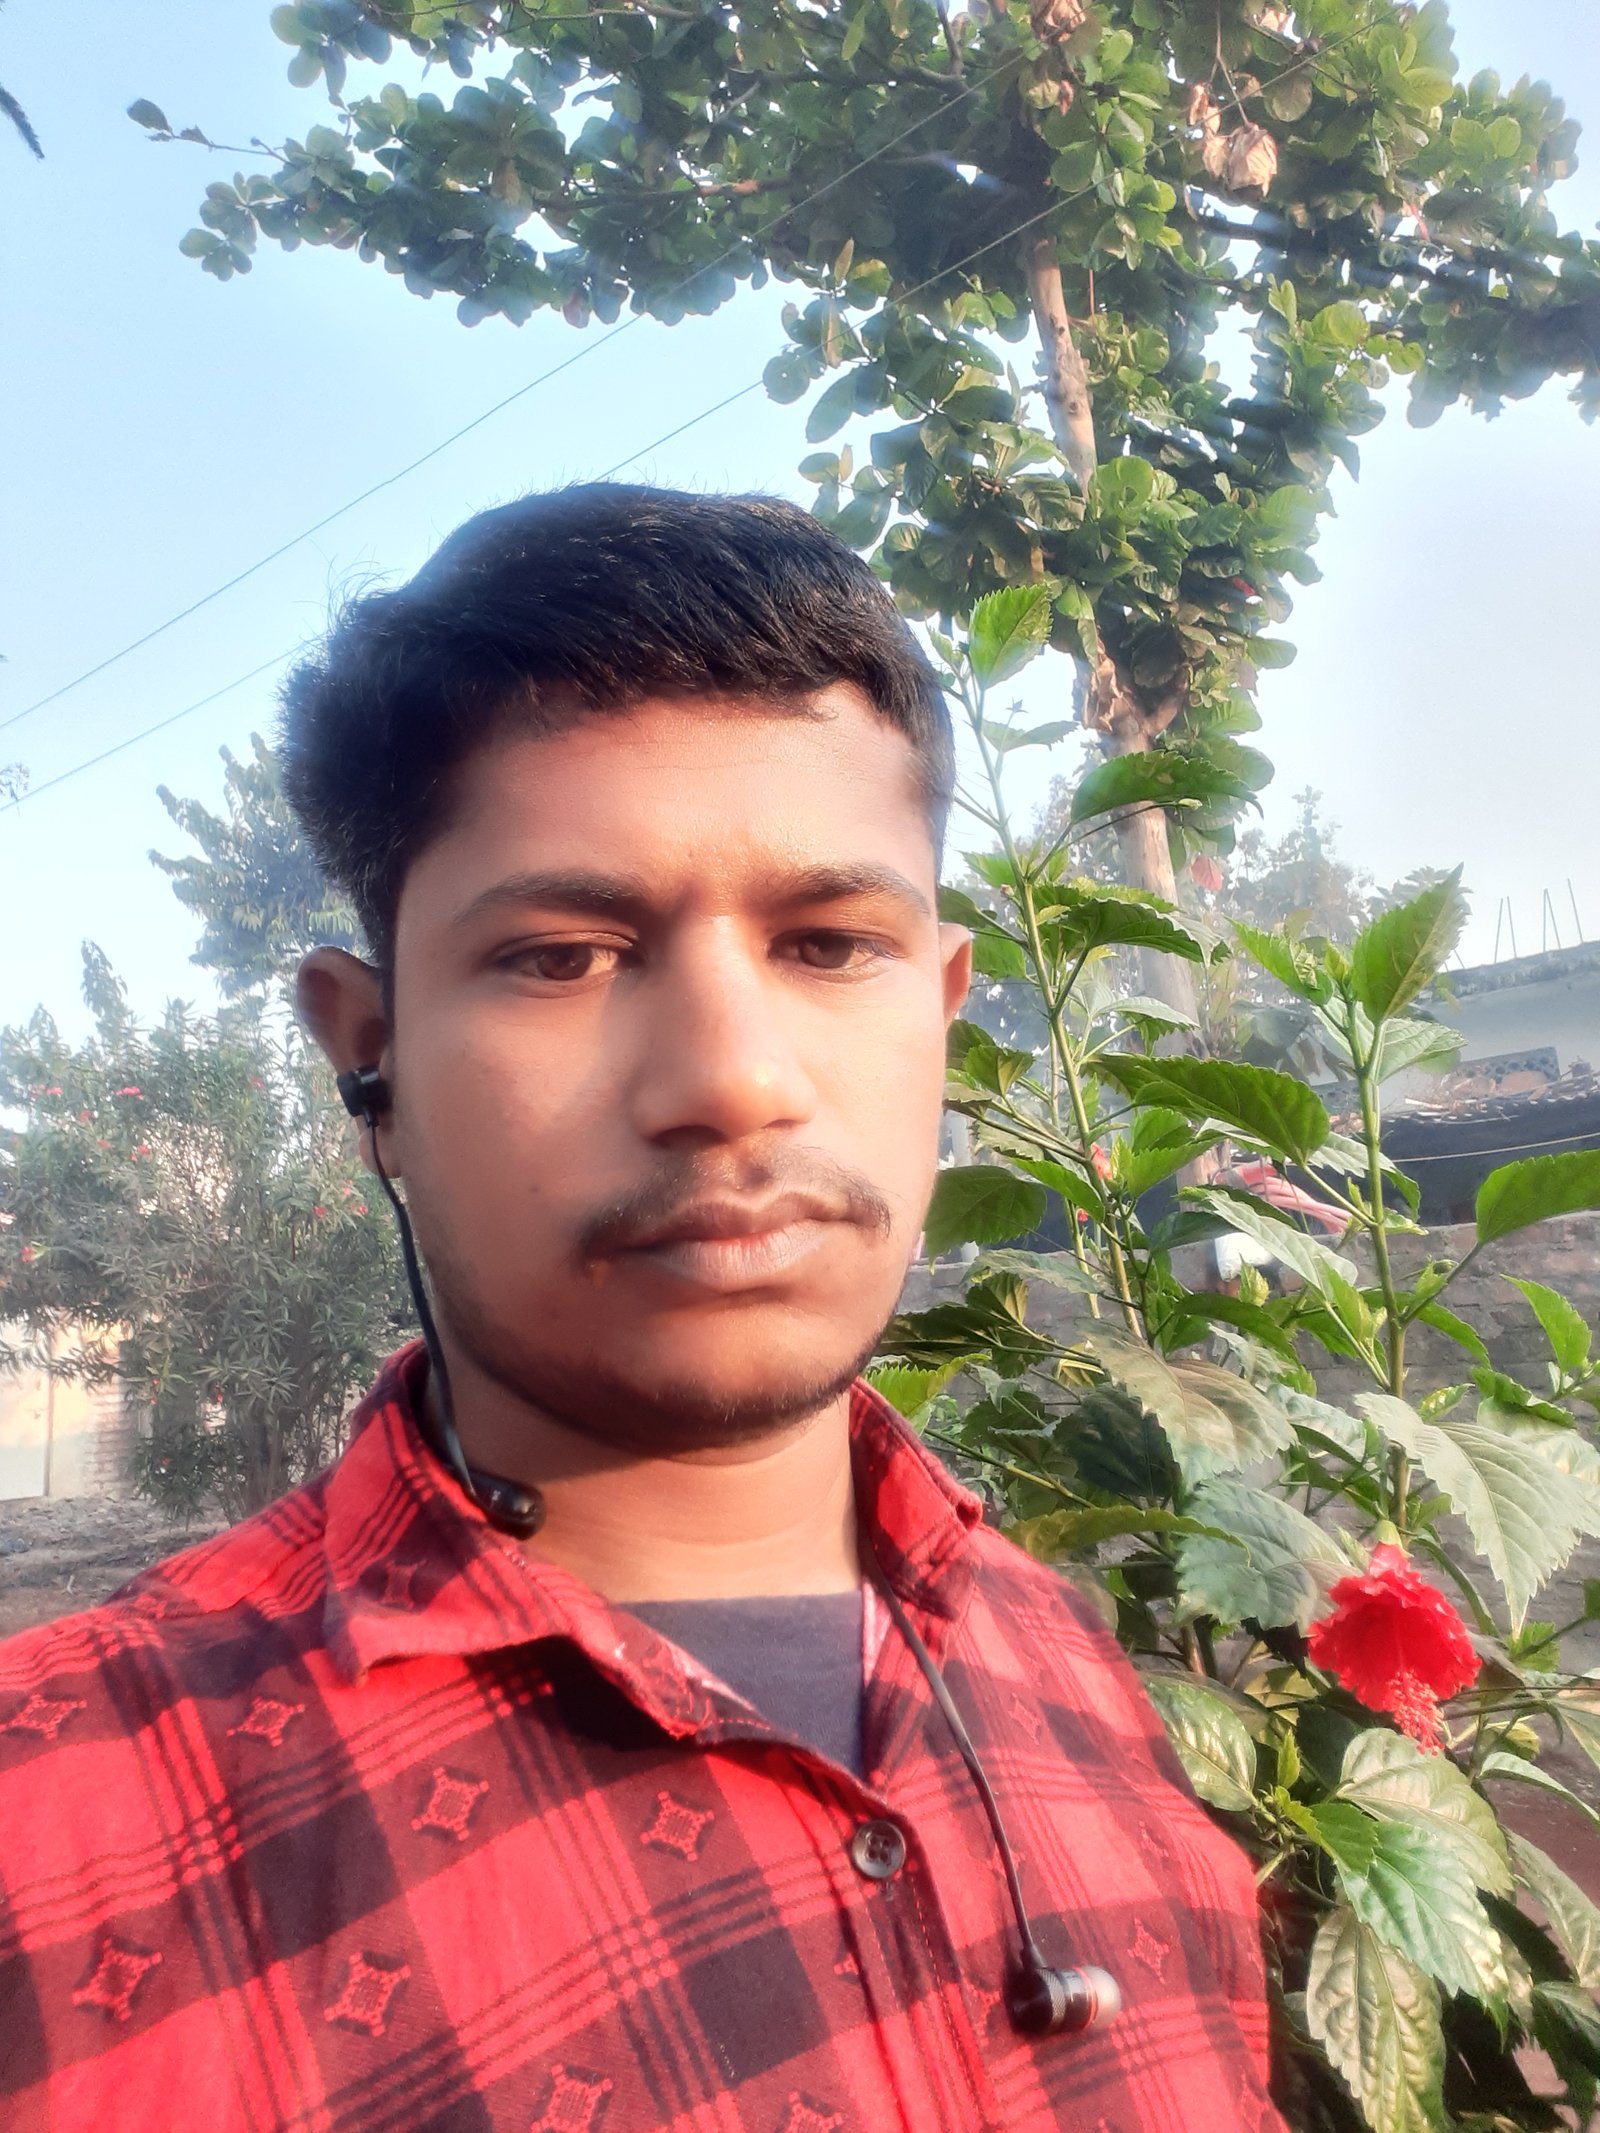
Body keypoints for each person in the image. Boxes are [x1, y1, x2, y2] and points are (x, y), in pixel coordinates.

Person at [0, 488, 1285, 2132]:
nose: (735, 1080)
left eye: (832, 944)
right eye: (564, 955)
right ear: (369, 1058)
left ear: (946, 1006)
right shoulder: (59, 1838)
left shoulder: (1072, 1675)